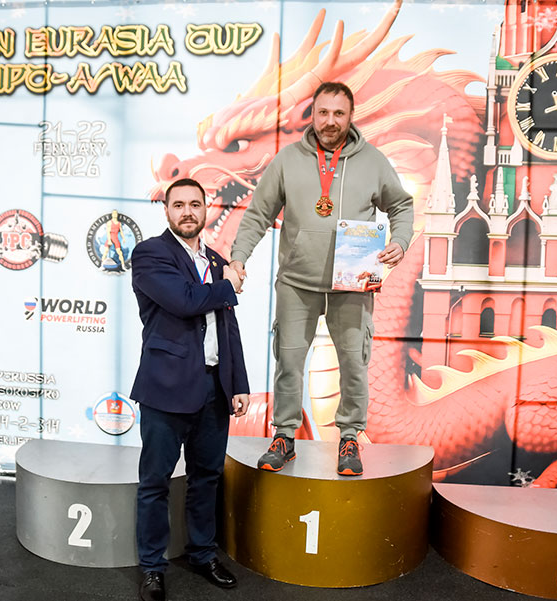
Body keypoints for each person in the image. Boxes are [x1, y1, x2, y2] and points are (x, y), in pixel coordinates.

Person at [229, 82, 413, 476]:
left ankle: (349, 438)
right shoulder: (287, 160)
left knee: (354, 363)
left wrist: (400, 241)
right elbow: (258, 214)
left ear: (351, 116)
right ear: (312, 115)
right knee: (289, 362)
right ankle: (284, 436)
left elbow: (401, 206)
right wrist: (239, 257)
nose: (330, 121)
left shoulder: (373, 161)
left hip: (353, 281)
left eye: (339, 114)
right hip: (297, 282)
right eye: (323, 112)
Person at [130, 178, 250, 601]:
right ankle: (152, 567)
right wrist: (229, 284)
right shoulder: (150, 254)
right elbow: (183, 301)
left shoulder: (216, 261)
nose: (187, 212)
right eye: (178, 204)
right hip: (165, 389)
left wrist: (238, 382)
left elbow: (227, 326)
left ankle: (202, 554)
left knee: (207, 478)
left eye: (195, 204)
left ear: (206, 209)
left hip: (215, 388)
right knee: (155, 483)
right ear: (166, 210)